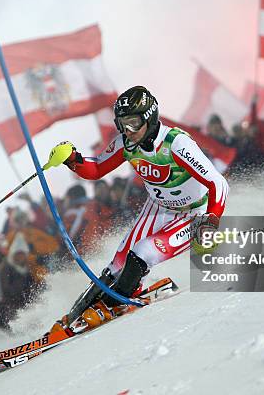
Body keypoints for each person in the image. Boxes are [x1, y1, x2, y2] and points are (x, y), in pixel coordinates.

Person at [47, 86, 229, 330]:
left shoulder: (176, 144)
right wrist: (73, 159)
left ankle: (114, 303)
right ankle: (74, 317)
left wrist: (211, 219)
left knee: (143, 252)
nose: (127, 131)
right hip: (157, 208)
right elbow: (97, 169)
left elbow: (218, 182)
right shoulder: (126, 143)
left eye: (133, 123)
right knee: (116, 266)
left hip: (193, 212)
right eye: (122, 124)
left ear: (149, 116)